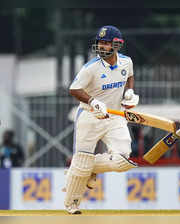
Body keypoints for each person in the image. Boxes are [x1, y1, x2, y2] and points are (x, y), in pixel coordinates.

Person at [65, 25, 139, 214]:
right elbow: (74, 88)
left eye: (106, 43)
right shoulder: (91, 68)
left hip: (115, 117)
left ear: (117, 45)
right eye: (100, 42)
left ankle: (87, 166)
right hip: (90, 116)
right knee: (82, 160)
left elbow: (129, 76)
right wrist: (92, 100)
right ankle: (71, 204)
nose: (101, 46)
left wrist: (129, 92)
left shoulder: (126, 62)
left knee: (123, 159)